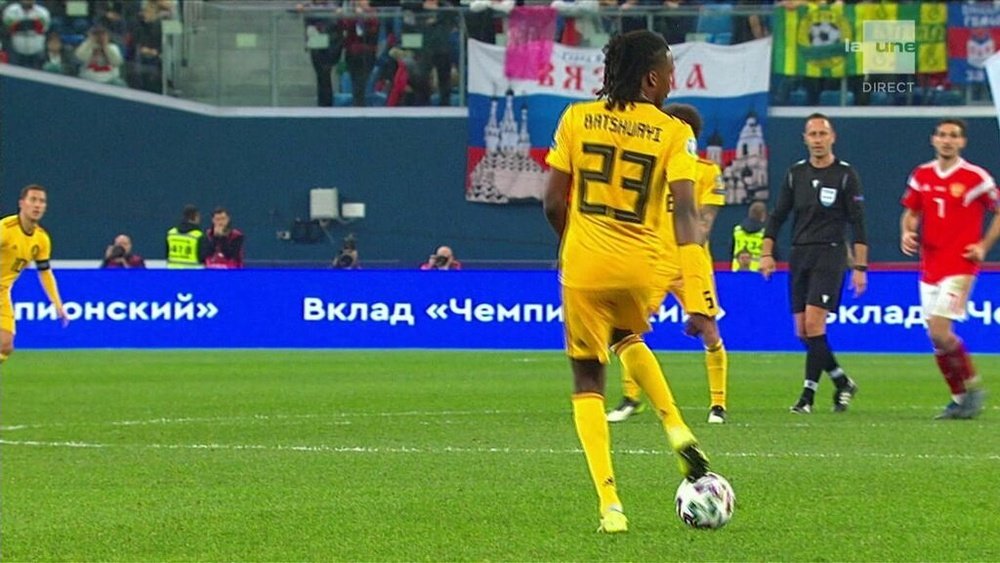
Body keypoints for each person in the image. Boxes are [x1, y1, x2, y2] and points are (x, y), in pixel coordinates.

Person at [542, 30, 709, 534]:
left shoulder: (575, 119)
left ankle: (610, 506)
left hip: (586, 264)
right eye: (671, 72)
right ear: (652, 78)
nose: (674, 81)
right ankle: (676, 424)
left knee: (588, 380)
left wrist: (576, 243)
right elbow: (687, 217)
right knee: (626, 335)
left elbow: (552, 202)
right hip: (641, 267)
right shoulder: (673, 132)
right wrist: (699, 296)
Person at [606, 103, 730, 425]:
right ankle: (631, 398)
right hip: (652, 258)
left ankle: (718, 404)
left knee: (708, 327)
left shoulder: (706, 171)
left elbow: (705, 221)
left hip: (690, 259)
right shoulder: (651, 171)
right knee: (627, 327)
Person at [761, 113, 867, 414]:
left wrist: (860, 269)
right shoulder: (796, 174)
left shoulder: (846, 175)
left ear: (832, 137)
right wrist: (767, 253)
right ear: (805, 139)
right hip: (800, 254)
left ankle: (807, 397)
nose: (818, 139)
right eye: (813, 134)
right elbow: (778, 215)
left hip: (830, 254)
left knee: (814, 324)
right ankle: (842, 380)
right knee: (803, 332)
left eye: (823, 134)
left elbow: (858, 224)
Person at [899, 118, 1000, 420]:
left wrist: (983, 246)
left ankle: (973, 387)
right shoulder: (922, 175)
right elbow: (911, 211)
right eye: (942, 135)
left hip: (961, 264)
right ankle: (959, 399)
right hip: (930, 265)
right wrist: (907, 231)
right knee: (935, 336)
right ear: (933, 139)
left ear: (962, 142)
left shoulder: (975, 177)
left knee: (941, 330)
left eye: (953, 136)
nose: (947, 140)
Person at [0, 185, 69, 364]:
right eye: (33, 200)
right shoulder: (5, 229)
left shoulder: (41, 239)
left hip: (2, 294)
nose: (37, 205)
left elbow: (45, 272)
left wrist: (57, 303)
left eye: (42, 201)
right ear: (21, 204)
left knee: (5, 346)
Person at [296, 0, 345, 107]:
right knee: (321, 75)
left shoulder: (332, 6)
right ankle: (323, 104)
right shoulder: (309, 5)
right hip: (315, 42)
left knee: (325, 74)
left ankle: (326, 105)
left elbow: (335, 21)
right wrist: (300, 7)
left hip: (330, 44)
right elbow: (296, 9)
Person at [166, 204, 210, 268]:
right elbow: (203, 258)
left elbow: (167, 255)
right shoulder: (198, 236)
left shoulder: (171, 234)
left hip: (172, 273)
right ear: (196, 217)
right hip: (192, 274)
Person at [731, 201, 768, 272]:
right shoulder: (765, 233)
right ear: (763, 216)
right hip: (758, 273)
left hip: (737, 272)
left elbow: (731, 251)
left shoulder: (737, 230)